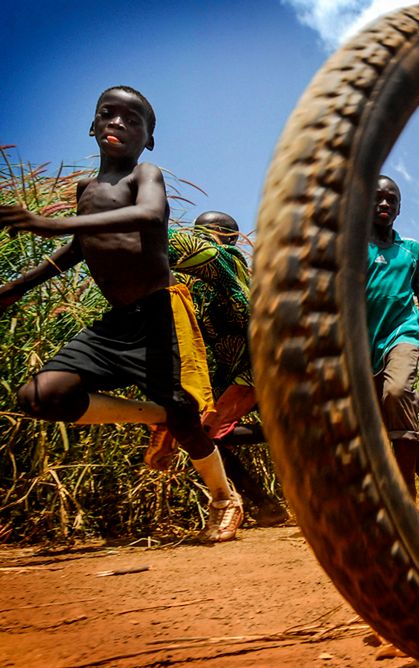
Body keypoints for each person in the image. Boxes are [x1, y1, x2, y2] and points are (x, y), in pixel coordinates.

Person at [0, 86, 242, 541]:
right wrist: (14, 288)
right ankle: (154, 415)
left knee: (187, 418)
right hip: (115, 325)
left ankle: (224, 499)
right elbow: (77, 249)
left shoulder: (144, 175)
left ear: (148, 139)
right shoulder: (84, 189)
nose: (117, 124)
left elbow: (150, 217)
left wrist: (52, 222)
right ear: (92, 126)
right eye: (108, 115)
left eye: (133, 121)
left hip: (159, 316)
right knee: (38, 396)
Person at [154, 211, 288, 526]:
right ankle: (267, 505)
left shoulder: (227, 261)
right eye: (195, 231)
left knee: (204, 433)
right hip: (230, 367)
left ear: (226, 238)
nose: (197, 236)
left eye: (205, 232)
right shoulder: (187, 279)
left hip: (263, 361)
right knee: (204, 436)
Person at [367, 175, 419, 518]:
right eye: (377, 198)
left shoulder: (411, 251)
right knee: (390, 421)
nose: (384, 204)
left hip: (402, 334)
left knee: (397, 393)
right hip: (362, 344)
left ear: (399, 209)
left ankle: (405, 500)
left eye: (391, 200)